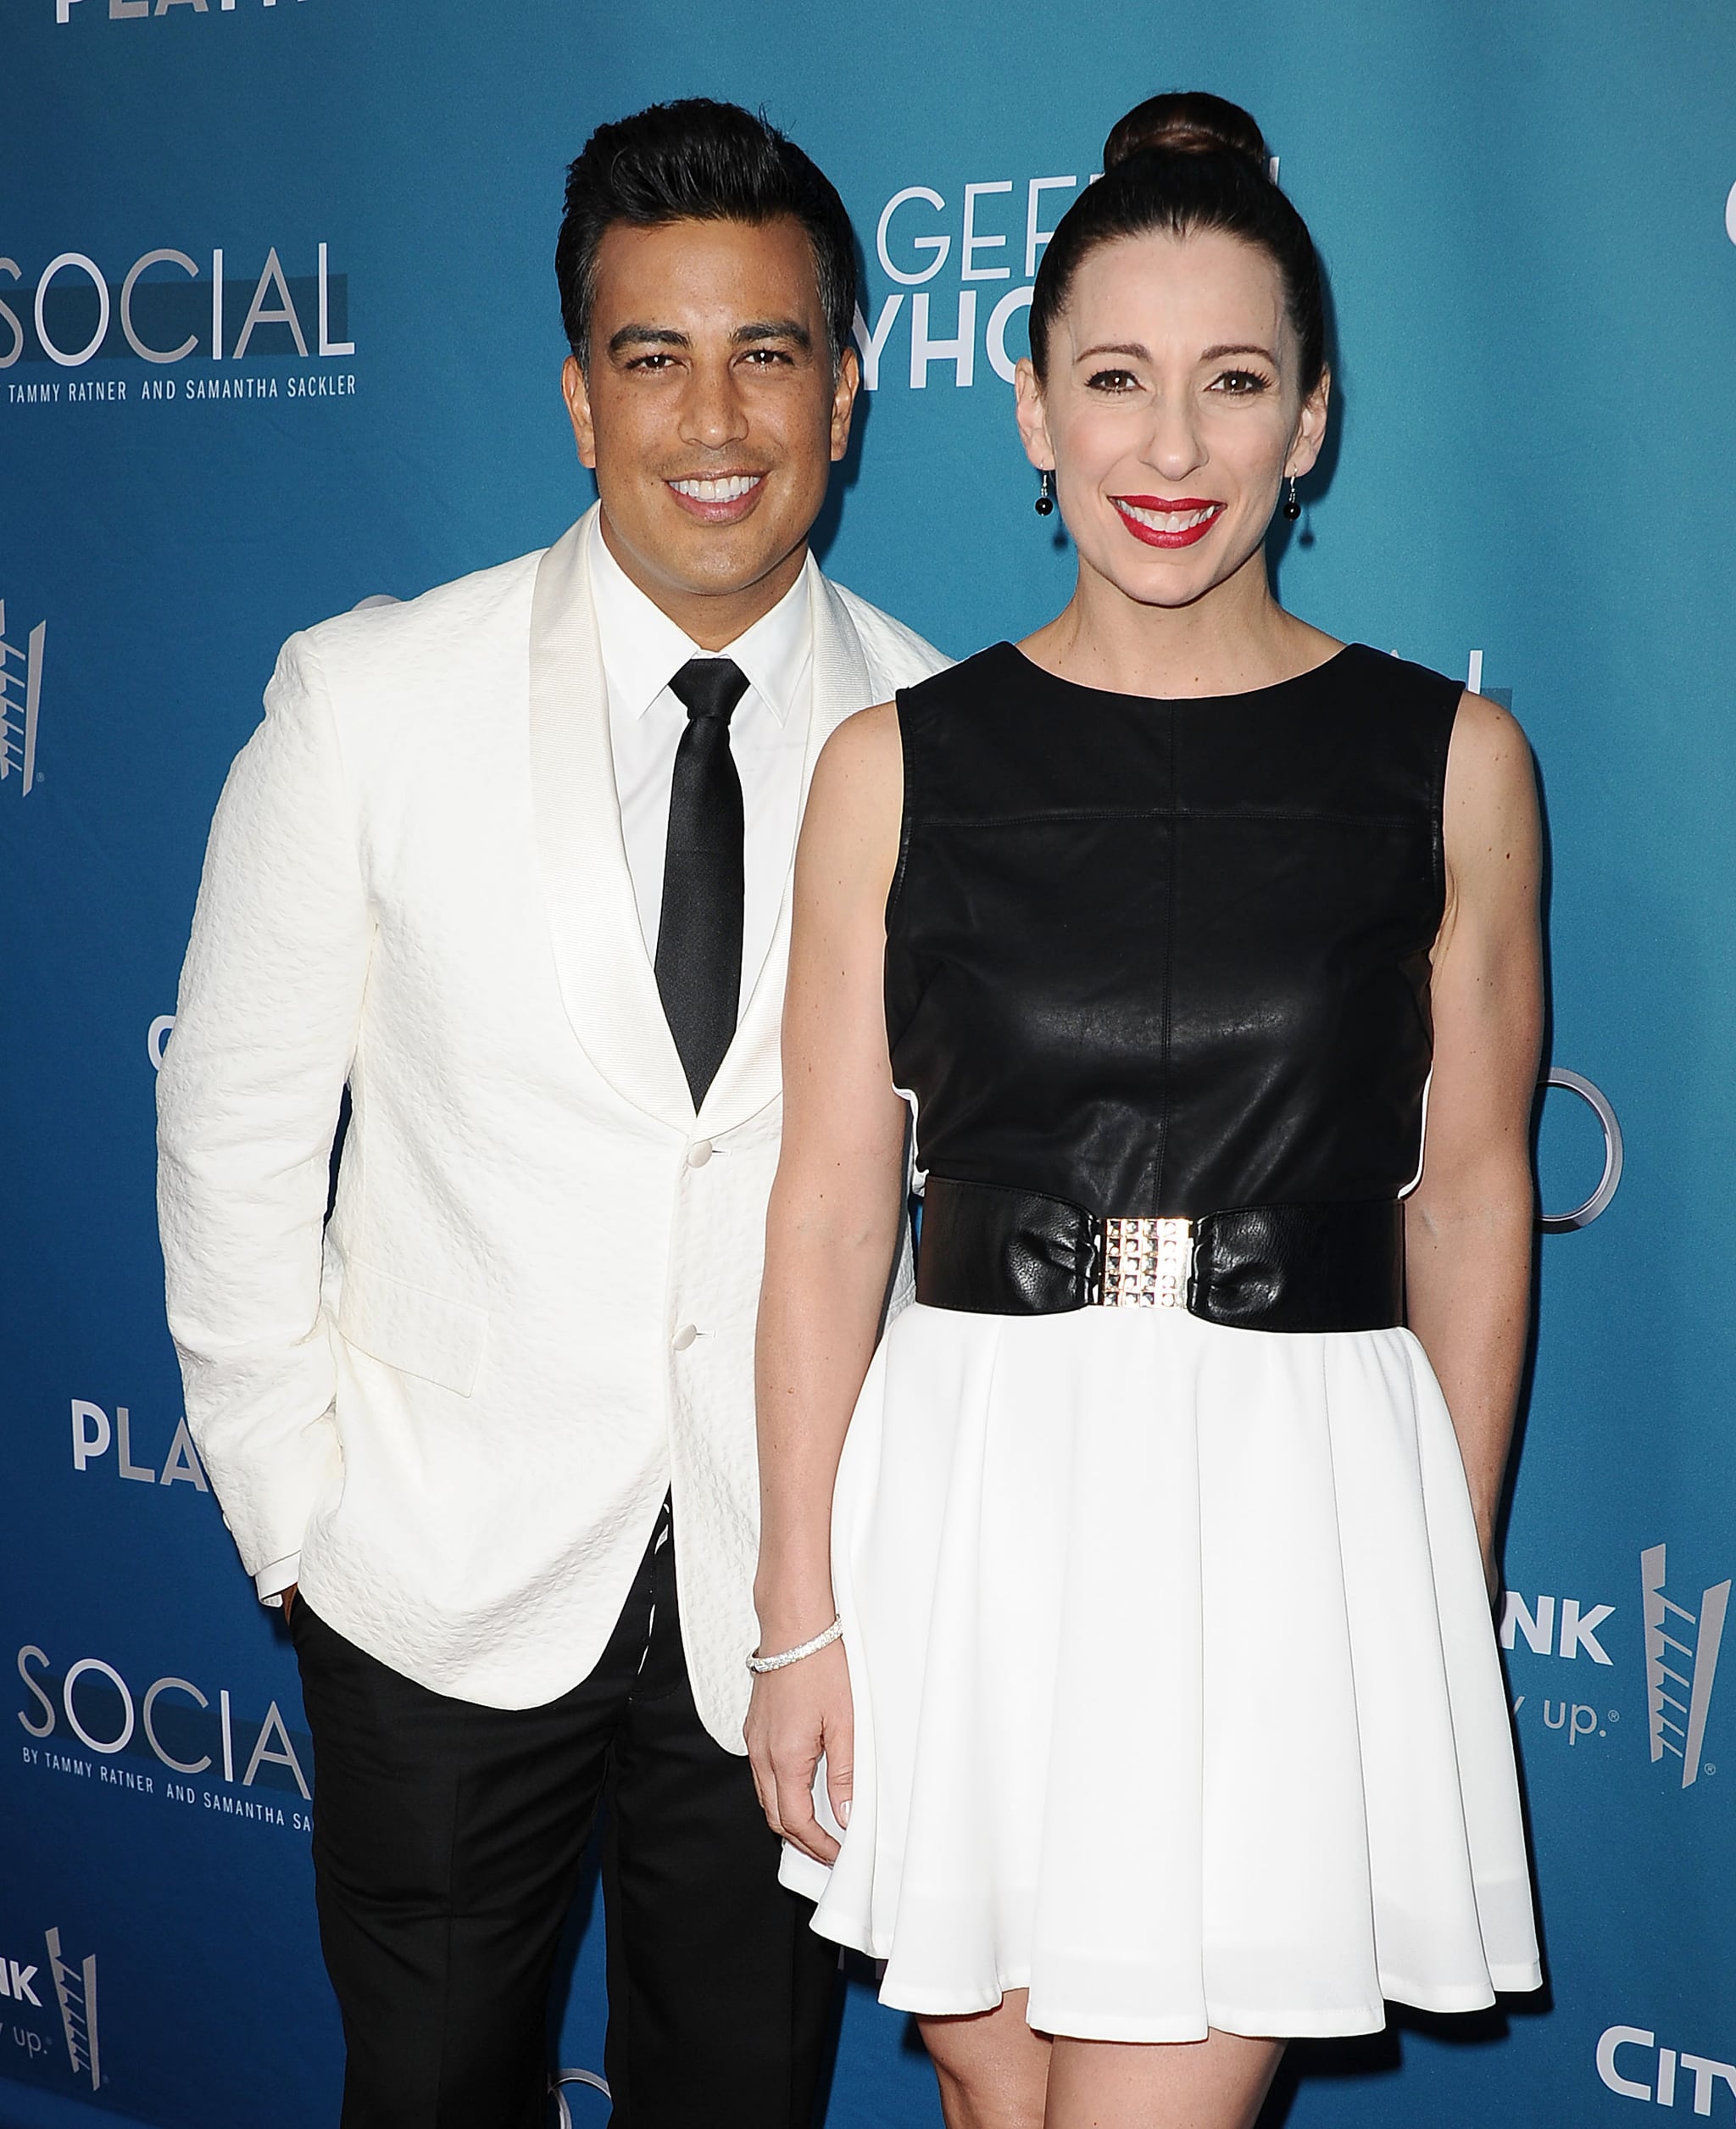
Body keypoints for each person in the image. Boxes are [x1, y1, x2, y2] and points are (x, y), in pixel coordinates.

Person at [747, 89, 1544, 2129]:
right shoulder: (890, 764)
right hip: (974, 1501)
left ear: (1313, 415)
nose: (1170, 449)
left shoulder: (1446, 758)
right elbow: (834, 1212)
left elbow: (1462, 1202)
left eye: (1231, 384)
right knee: (994, 2099)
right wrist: (795, 1615)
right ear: (1029, 410)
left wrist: (1420, 1590)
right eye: (1113, 381)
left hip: (1285, 1521)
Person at [156, 98, 947, 2129]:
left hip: (794, 1609)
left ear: (846, 391)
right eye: (651, 355)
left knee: (742, 2100)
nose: (714, 413)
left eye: (768, 351)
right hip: (427, 1577)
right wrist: (291, 1523)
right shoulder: (367, 698)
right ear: (577, 399)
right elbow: (236, 1127)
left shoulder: (948, 739)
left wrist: (869, 1568)